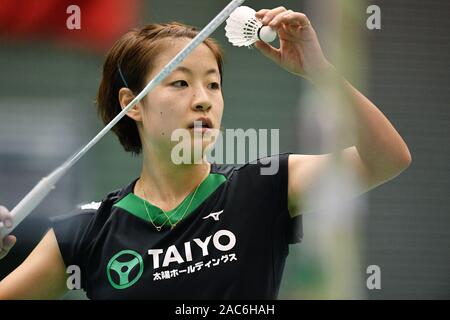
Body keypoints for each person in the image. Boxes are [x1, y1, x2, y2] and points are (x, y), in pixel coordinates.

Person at [0, 7, 411, 299]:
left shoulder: (263, 187)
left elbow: (387, 159)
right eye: (180, 83)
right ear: (133, 103)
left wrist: (318, 69)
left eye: (213, 85)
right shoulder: (86, 232)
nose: (203, 100)